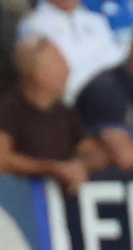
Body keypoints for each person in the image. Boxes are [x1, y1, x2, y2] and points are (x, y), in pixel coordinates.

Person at [18, 0, 133, 169]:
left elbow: (116, 58)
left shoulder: (96, 20)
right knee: (104, 90)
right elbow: (42, 71)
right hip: (81, 94)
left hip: (114, 85)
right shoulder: (35, 23)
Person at [0, 37, 108, 192]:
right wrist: (50, 169)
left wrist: (79, 165)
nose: (68, 70)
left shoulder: (64, 112)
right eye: (59, 64)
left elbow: (93, 152)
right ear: (38, 73)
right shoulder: (8, 110)